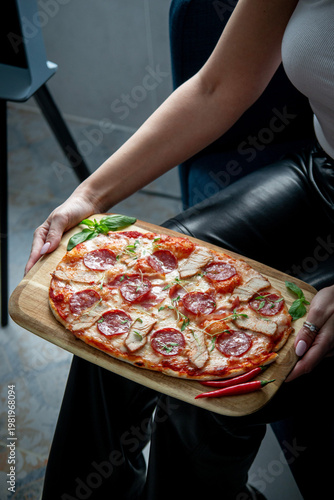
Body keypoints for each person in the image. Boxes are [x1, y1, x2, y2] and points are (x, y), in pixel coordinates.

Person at [25, 1, 334, 498]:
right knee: (124, 294)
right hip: (321, 174)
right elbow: (216, 87)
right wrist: (87, 196)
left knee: (214, 386)